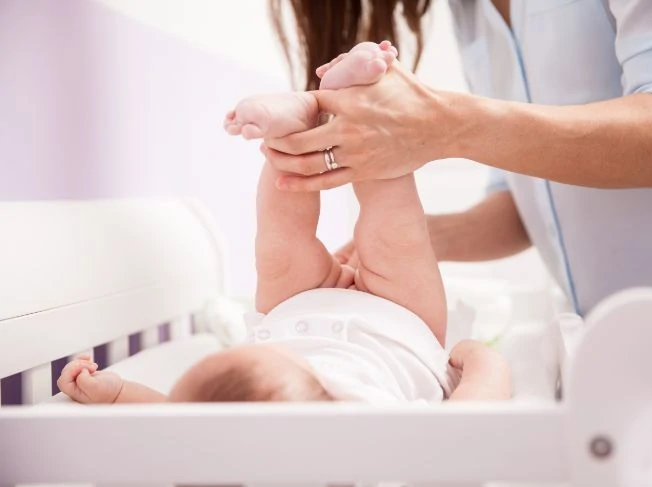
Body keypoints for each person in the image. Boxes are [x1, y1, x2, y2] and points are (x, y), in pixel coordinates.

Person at [258, 0, 652, 483]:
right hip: (628, 377)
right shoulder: (472, 13)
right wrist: (414, 245)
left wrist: (445, 125)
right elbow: (533, 203)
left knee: (301, 234)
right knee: (329, 216)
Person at [56, 42, 511, 406]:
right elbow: (474, 413)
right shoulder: (378, 434)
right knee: (387, 228)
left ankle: (294, 128)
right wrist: (482, 362)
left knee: (282, 238)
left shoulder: (219, 453)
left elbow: (176, 418)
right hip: (401, 324)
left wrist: (118, 393)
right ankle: (352, 100)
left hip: (292, 313)